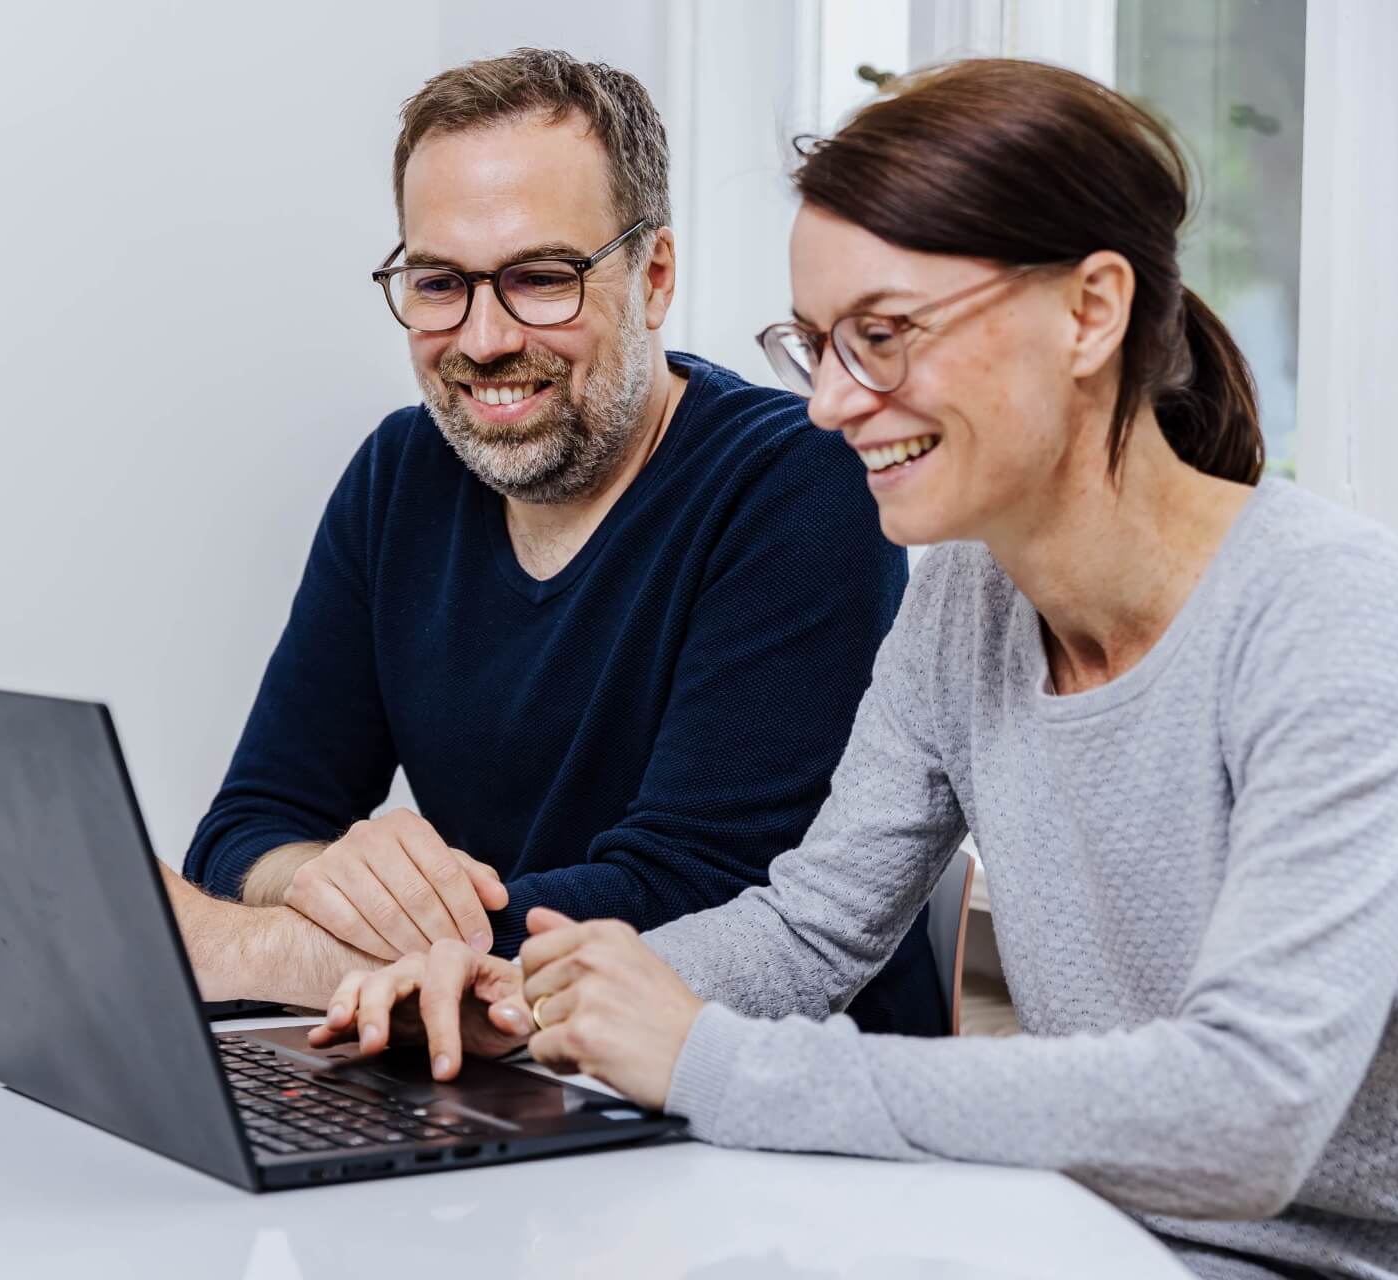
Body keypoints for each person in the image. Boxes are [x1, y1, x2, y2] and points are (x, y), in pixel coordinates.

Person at [310, 59, 1398, 1279]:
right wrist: (528, 996)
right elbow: (810, 929)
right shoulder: (968, 605)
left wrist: (709, 1058)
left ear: (1092, 311)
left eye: (882, 337)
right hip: (1099, 1239)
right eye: (817, 345)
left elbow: (1248, 1114)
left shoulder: (1333, 617)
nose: (831, 404)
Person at [160, 48, 941, 1030]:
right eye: (439, 282)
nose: (483, 339)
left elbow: (693, 892)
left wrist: (255, 947)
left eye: (540, 278)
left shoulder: (801, 482)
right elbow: (247, 829)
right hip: (497, 1060)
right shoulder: (399, 474)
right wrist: (331, 877)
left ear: (654, 278)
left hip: (743, 1089)